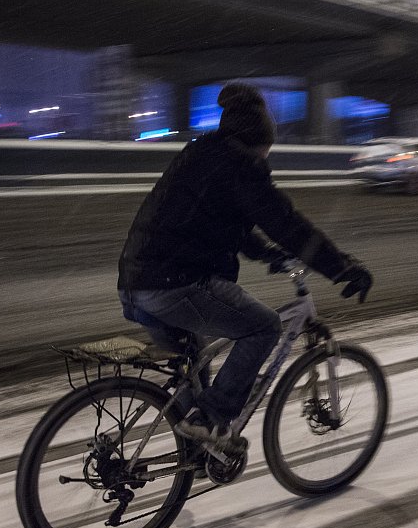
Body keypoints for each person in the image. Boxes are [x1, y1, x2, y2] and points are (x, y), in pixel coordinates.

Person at [118, 82, 372, 450]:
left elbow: (221, 224)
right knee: (263, 327)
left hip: (135, 281)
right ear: (256, 142)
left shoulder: (203, 153)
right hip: (174, 284)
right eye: (267, 149)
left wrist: (267, 253)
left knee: (193, 365)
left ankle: (192, 453)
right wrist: (342, 267)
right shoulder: (242, 167)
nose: (267, 157)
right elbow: (288, 224)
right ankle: (211, 419)